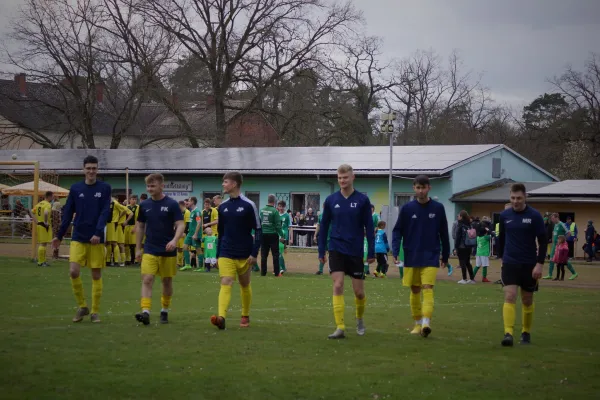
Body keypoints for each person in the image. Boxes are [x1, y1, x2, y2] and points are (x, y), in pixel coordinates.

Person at [52, 155, 112, 323]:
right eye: (88, 168)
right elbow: (67, 214)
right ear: (83, 170)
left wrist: (98, 233)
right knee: (73, 271)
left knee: (95, 275)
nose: (91, 171)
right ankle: (82, 306)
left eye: (94, 168)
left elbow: (105, 212)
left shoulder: (105, 188)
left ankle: (94, 311)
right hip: (78, 236)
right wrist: (59, 235)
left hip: (96, 238)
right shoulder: (76, 188)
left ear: (97, 170)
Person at [318, 164, 375, 339]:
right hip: (336, 248)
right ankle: (340, 327)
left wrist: (371, 252)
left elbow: (369, 226)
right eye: (340, 178)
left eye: (345, 177)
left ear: (353, 177)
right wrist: (321, 251)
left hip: (355, 250)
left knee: (359, 292)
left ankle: (359, 319)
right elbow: (324, 225)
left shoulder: (362, 200)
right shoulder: (331, 200)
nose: (342, 181)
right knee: (338, 284)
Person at [392, 175, 450, 338]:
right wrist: (395, 250)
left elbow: (444, 233)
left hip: (431, 255)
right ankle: (417, 323)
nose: (421, 190)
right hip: (411, 255)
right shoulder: (407, 209)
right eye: (418, 187)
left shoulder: (438, 208)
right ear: (414, 188)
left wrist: (445, 255)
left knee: (428, 287)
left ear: (429, 188)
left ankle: (426, 322)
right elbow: (397, 230)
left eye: (423, 187)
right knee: (415, 289)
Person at [497, 183, 546, 346]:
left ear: (525, 197)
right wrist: (501, 258)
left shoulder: (535, 216)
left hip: (529, 264)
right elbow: (501, 238)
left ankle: (525, 332)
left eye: (518, 198)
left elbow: (543, 241)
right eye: (512, 198)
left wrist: (539, 264)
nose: (515, 201)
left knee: (527, 299)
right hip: (510, 262)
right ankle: (508, 333)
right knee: (510, 295)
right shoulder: (504, 216)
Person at [211, 172, 261, 330]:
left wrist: (254, 253)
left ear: (234, 184)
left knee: (245, 285)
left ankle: (245, 315)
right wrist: (218, 255)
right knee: (226, 281)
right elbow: (221, 232)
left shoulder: (249, 205)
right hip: (226, 252)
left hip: (245, 253)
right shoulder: (223, 207)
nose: (223, 185)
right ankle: (221, 317)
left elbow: (258, 230)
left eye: (225, 182)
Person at [134, 173, 184, 325]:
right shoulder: (143, 206)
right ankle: (145, 311)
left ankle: (164, 310)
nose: (150, 189)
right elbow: (140, 227)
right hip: (150, 248)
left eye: (153, 186)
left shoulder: (172, 204)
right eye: (148, 186)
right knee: (147, 279)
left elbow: (181, 224)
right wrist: (138, 248)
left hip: (168, 250)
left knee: (166, 281)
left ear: (162, 186)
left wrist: (175, 240)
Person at [543, 213, 578, 280]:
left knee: (563, 260)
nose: (552, 220)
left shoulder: (562, 224)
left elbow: (569, 233)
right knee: (551, 259)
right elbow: (554, 234)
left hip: (561, 246)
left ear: (557, 218)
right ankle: (550, 274)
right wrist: (553, 240)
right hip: (555, 245)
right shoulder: (555, 225)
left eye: (553, 218)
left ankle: (574, 273)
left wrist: (562, 241)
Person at [260, 194, 283, 276]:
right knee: (275, 254)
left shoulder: (262, 210)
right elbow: (278, 225)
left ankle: (263, 272)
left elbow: (260, 222)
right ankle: (276, 272)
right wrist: (282, 234)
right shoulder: (275, 211)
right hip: (273, 234)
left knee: (263, 254)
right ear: (274, 201)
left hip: (263, 234)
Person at [105, 197, 131, 267]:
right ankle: (108, 260)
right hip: (107, 224)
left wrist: (122, 219)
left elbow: (126, 210)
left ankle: (117, 261)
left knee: (114, 243)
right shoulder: (106, 202)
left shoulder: (115, 203)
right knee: (108, 242)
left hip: (114, 224)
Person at [32, 191, 54, 267]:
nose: (53, 198)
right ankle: (40, 262)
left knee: (44, 243)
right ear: (49, 196)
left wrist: (36, 221)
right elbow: (45, 213)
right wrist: (45, 221)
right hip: (44, 226)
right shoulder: (48, 204)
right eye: (52, 196)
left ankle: (43, 261)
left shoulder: (39, 204)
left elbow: (31, 212)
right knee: (43, 244)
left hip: (39, 224)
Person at [454, 210, 476, 284]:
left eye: (459, 215)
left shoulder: (460, 225)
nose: (458, 217)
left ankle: (464, 279)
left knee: (462, 262)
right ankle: (472, 279)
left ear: (461, 216)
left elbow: (458, 237)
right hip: (469, 245)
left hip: (461, 246)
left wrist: (455, 247)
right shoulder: (470, 224)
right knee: (467, 262)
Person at [180, 197, 200, 271]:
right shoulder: (192, 211)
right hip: (190, 233)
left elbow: (199, 222)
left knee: (198, 249)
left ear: (192, 202)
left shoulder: (197, 211)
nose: (187, 202)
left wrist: (196, 234)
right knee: (184, 247)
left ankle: (201, 267)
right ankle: (187, 264)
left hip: (195, 233)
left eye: (189, 201)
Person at [314, 202, 330, 275]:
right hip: (322, 237)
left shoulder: (333, 215)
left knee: (332, 254)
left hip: (331, 237)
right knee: (322, 253)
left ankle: (332, 269)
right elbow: (318, 226)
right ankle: (320, 270)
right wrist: (315, 235)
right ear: (323, 207)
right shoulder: (320, 216)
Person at [124, 195, 140, 265]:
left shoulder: (137, 207)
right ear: (129, 200)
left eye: (135, 199)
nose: (134, 200)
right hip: (127, 227)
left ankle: (135, 259)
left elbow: (138, 219)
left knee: (133, 244)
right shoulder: (126, 207)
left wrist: (135, 227)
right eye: (133, 199)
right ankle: (127, 259)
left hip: (134, 226)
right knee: (126, 244)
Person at [278, 200, 291, 274]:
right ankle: (283, 267)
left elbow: (289, 226)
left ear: (284, 207)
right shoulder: (276, 214)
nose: (281, 208)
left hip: (283, 235)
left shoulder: (286, 215)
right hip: (277, 234)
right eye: (280, 206)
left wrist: (290, 237)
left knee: (279, 251)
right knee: (278, 252)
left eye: (282, 206)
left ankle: (281, 268)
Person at [176, 200, 190, 268]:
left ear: (181, 205)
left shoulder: (187, 212)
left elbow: (188, 224)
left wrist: (185, 232)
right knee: (179, 248)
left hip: (183, 234)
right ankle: (179, 263)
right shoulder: (180, 212)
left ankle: (185, 263)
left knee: (183, 248)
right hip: (179, 233)